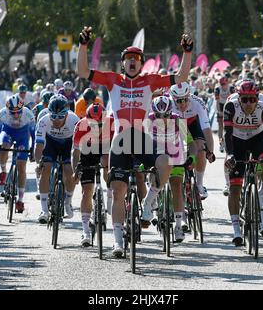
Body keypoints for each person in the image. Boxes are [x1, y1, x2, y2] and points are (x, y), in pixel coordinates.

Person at [77, 25, 193, 257]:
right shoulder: (112, 80)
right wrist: (83, 46)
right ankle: (118, 242)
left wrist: (187, 52)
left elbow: (181, 77)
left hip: (141, 138)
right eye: (128, 58)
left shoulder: (149, 81)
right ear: (123, 63)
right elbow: (82, 71)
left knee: (166, 163)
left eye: (137, 59)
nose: (132, 61)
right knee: (118, 192)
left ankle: (149, 203)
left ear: (141, 63)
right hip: (120, 141)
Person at [224, 80, 263, 245]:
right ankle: (236, 229)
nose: (249, 103)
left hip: (257, 139)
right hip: (237, 141)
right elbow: (227, 133)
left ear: (257, 98)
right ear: (239, 98)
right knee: (234, 187)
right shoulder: (231, 107)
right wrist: (230, 154)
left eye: (252, 99)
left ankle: (262, 193)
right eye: (245, 99)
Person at [145, 95, 189, 242]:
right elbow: (141, 142)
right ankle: (152, 201)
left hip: (175, 154)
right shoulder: (149, 120)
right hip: (156, 155)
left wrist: (192, 157)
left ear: (172, 112)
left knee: (176, 185)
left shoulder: (177, 119)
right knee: (152, 177)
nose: (163, 118)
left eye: (166, 115)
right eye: (159, 115)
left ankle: (178, 225)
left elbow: (189, 141)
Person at [72, 103, 112, 246]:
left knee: (107, 161)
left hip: (105, 150)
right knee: (87, 191)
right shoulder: (80, 126)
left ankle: (110, 195)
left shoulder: (112, 123)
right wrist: (75, 170)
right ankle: (85, 231)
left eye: (100, 124)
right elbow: (75, 153)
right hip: (87, 151)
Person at [35, 95, 79, 223]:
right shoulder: (43, 121)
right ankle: (44, 210)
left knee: (69, 171)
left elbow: (76, 151)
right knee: (45, 169)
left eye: (61, 116)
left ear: (67, 114)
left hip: (68, 144)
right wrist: (38, 163)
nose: (57, 120)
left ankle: (67, 202)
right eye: (53, 116)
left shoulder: (75, 121)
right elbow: (39, 146)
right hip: (51, 143)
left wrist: (76, 169)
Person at [168, 82, 215, 200]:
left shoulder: (197, 102)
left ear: (189, 96)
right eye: (178, 101)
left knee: (201, 149)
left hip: (192, 122)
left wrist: (210, 151)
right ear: (173, 99)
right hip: (176, 123)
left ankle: (199, 184)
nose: (182, 103)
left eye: (185, 99)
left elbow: (206, 129)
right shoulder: (168, 103)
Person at [0, 95, 35, 213]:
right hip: (8, 133)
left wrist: (33, 150)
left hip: (23, 136)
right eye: (13, 113)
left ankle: (20, 200)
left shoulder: (28, 115)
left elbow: (34, 135)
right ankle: (3, 172)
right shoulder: (2, 114)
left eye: (18, 112)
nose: (16, 115)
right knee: (4, 146)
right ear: (7, 111)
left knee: (22, 167)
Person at [214, 77, 235, 153]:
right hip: (221, 105)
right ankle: (221, 143)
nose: (223, 86)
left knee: (230, 125)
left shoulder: (231, 88)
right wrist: (219, 111)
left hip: (229, 105)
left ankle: (230, 141)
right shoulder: (217, 89)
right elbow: (217, 102)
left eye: (225, 84)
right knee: (220, 125)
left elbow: (233, 100)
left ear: (227, 83)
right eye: (222, 84)